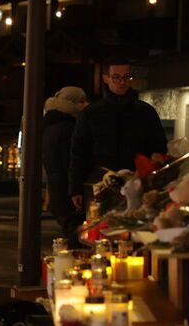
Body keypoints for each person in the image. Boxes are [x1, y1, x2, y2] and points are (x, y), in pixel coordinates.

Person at [69, 57, 168, 212]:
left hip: (136, 185)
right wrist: (75, 188)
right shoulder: (91, 113)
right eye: (116, 77)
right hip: (99, 184)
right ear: (106, 78)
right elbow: (79, 153)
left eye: (127, 77)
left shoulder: (145, 112)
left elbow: (158, 149)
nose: (122, 82)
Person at [41, 86, 88, 245]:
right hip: (68, 191)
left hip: (57, 190)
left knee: (70, 231)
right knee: (78, 236)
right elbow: (71, 161)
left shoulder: (49, 124)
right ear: (73, 103)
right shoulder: (69, 127)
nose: (86, 105)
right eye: (82, 101)